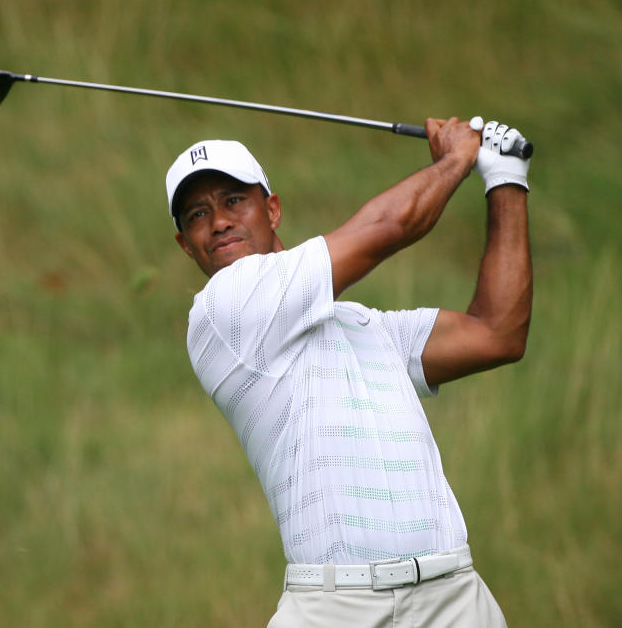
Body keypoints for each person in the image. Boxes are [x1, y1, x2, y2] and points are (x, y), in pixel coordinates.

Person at [165, 117, 531, 627]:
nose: (219, 221)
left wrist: (507, 179)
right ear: (186, 244)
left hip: (452, 596)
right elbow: (388, 229)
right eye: (197, 214)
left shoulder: (365, 326)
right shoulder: (222, 311)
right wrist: (456, 160)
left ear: (271, 209)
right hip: (337, 607)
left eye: (233, 201)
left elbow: (497, 333)